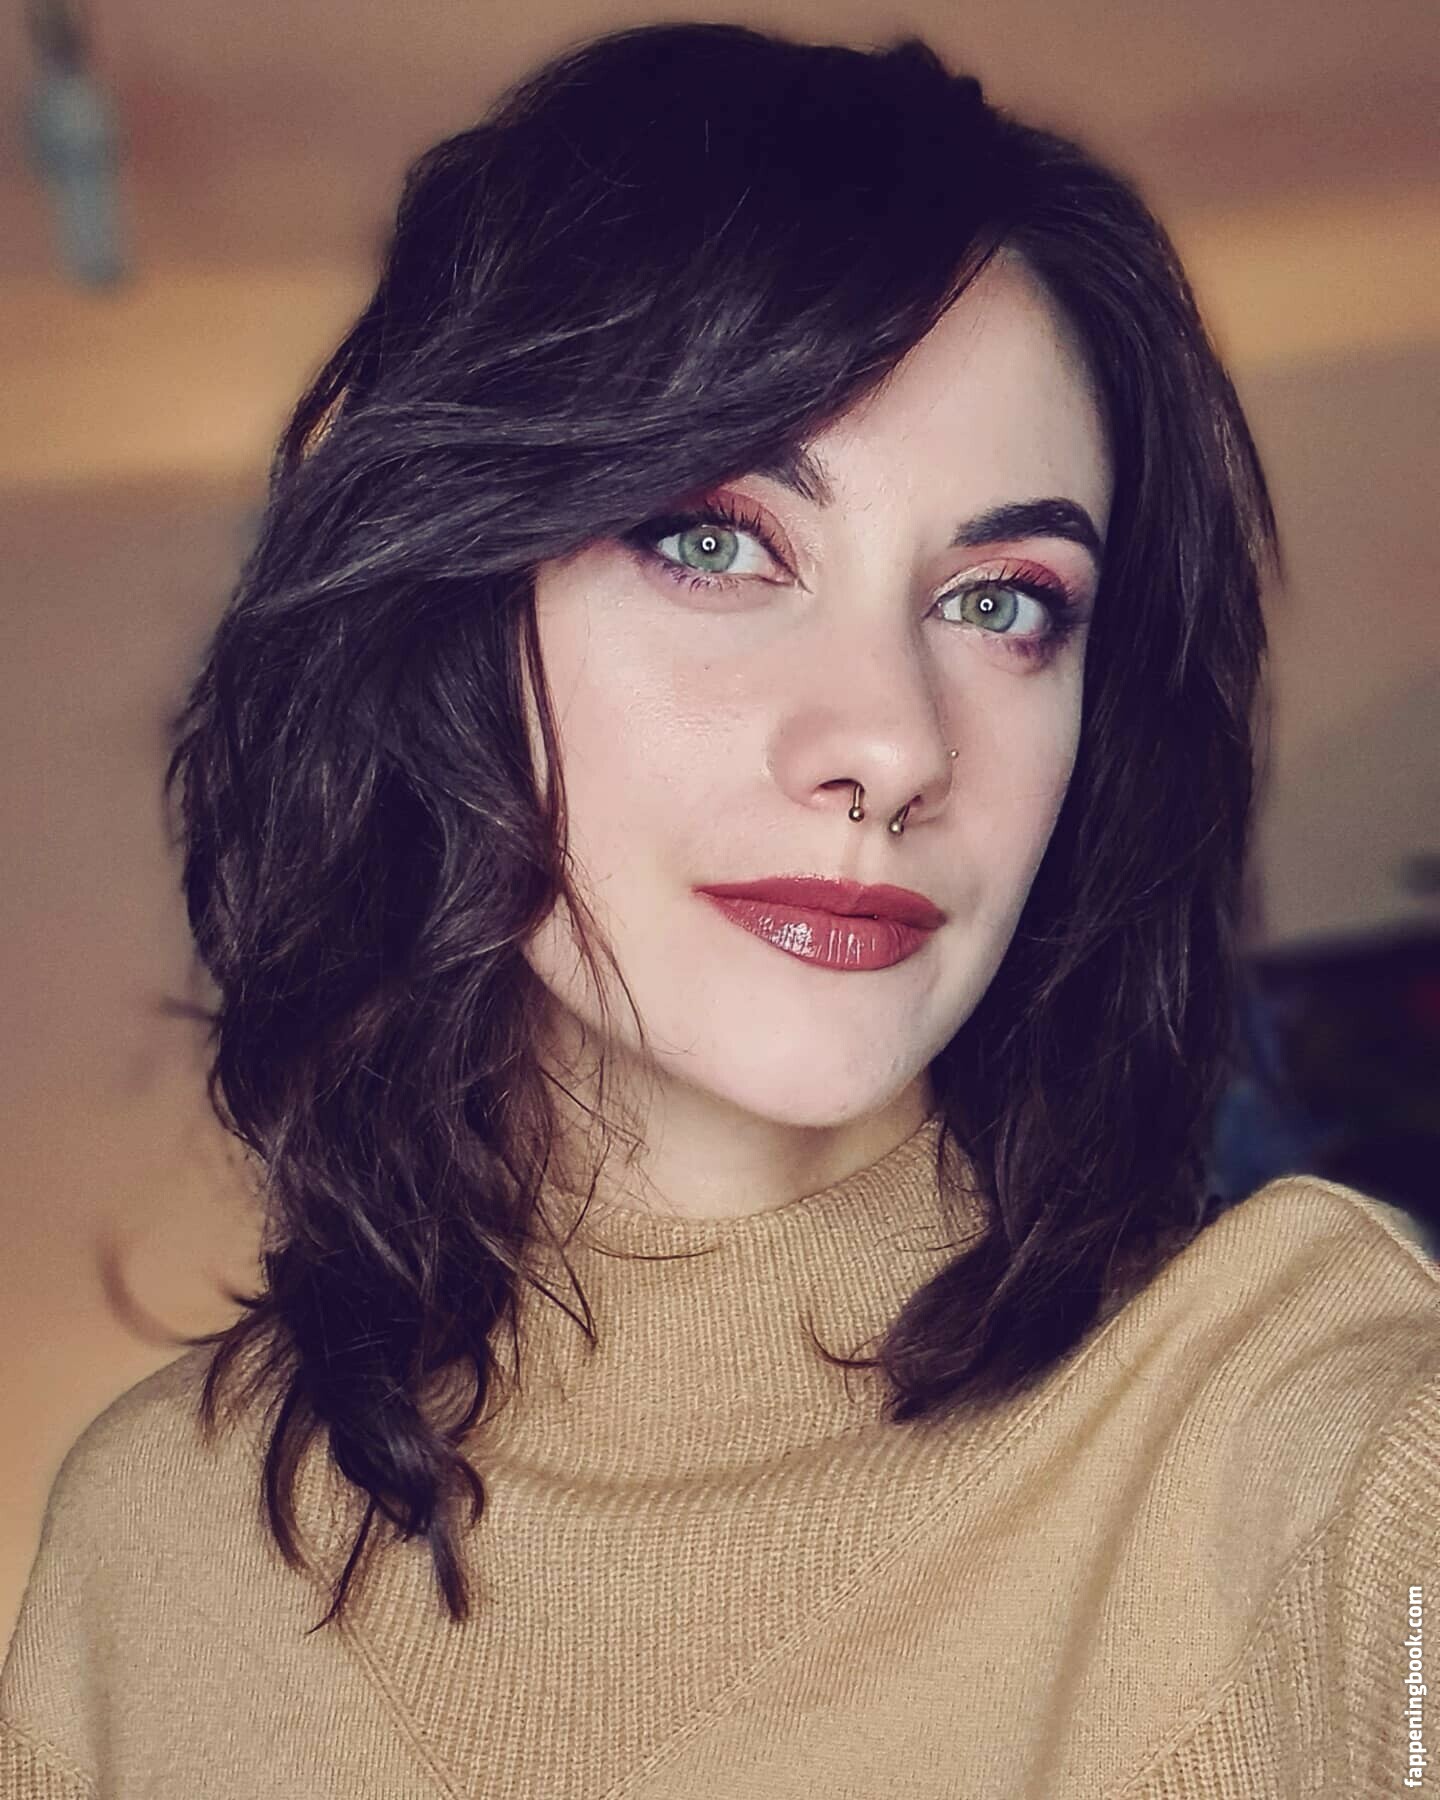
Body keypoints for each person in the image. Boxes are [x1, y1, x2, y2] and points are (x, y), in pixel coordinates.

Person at [3, 21, 1436, 1800]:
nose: (893, 745)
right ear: (448, 618)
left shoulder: (1333, 1459)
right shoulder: (155, 1551)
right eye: (712, 541)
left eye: (1004, 601)